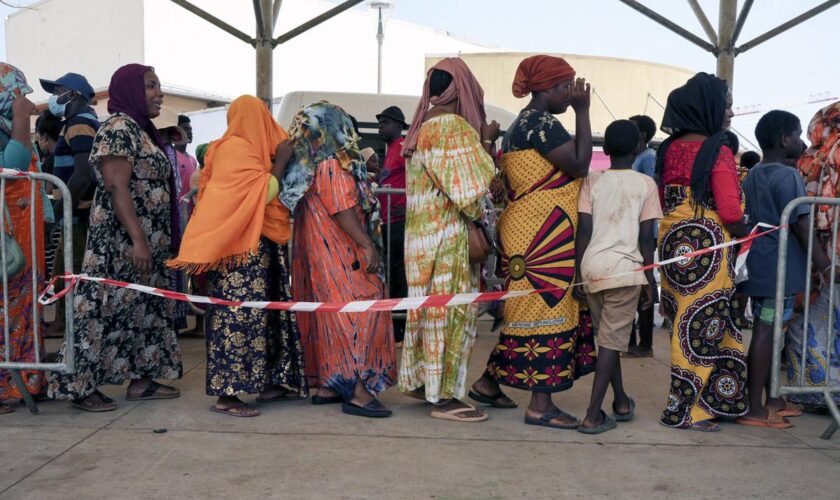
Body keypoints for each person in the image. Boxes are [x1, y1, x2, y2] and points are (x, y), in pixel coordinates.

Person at [48, 64, 182, 411]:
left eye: (159, 85)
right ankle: (79, 386)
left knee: (146, 308)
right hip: (119, 242)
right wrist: (138, 239)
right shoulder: (118, 129)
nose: (159, 92)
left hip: (147, 240)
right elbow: (115, 185)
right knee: (99, 311)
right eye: (151, 86)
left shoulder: (143, 130)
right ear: (131, 90)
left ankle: (143, 379)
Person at [474, 55, 596, 428]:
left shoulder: (521, 124)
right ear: (549, 88)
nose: (570, 94)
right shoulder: (541, 124)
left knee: (524, 312)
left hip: (532, 231)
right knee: (544, 310)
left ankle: (488, 383)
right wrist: (583, 111)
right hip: (541, 236)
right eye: (566, 87)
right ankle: (540, 406)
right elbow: (579, 165)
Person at [170, 95, 307, 417]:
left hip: (260, 245)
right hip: (238, 252)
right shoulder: (234, 149)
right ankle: (227, 394)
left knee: (265, 317)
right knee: (237, 320)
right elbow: (262, 192)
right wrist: (281, 163)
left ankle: (270, 382)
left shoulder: (253, 150)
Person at [399, 58, 499, 423]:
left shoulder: (422, 124)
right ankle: (442, 397)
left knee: (425, 313)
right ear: (461, 89)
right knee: (451, 314)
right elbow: (471, 190)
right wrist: (487, 141)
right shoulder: (449, 127)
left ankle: (420, 380)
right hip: (446, 239)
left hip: (420, 238)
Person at [287, 101, 396, 418]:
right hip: (342, 252)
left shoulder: (308, 164)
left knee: (330, 315)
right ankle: (357, 391)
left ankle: (329, 384)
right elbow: (342, 208)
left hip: (322, 256)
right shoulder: (332, 163)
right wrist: (366, 245)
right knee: (358, 314)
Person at [656, 72, 749, 432]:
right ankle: (684, 411)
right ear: (708, 107)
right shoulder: (718, 151)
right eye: (726, 105)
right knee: (702, 327)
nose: (730, 112)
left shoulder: (668, 148)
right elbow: (729, 209)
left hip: (674, 245)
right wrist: (745, 230)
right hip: (709, 246)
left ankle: (718, 399)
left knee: (691, 323)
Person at [737, 110, 831, 429]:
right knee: (766, 331)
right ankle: (755, 408)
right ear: (785, 140)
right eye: (798, 134)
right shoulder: (789, 175)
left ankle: (773, 398)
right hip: (776, 268)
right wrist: (825, 264)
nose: (803, 141)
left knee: (772, 330)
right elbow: (801, 223)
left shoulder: (754, 173)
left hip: (759, 263)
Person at [576, 119, 662, 433]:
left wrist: (577, 275)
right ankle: (592, 414)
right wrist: (649, 280)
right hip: (626, 272)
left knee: (607, 342)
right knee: (612, 343)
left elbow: (583, 231)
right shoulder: (646, 185)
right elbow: (646, 239)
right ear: (640, 146)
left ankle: (622, 401)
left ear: (606, 149)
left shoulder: (591, 181)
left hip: (593, 269)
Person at [39, 72, 100, 338]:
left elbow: (84, 173)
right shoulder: (76, 122)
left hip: (77, 212)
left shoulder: (79, 123)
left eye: (58, 91)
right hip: (75, 211)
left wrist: (61, 207)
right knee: (63, 269)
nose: (53, 98)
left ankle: (68, 325)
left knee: (69, 268)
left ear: (73, 95)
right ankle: (63, 322)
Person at [0, 63, 45, 414]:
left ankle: (25, 379)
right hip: (8, 238)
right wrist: (20, 119)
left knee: (24, 303)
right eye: (17, 92)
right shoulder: (13, 128)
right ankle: (7, 384)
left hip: (21, 235)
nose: (25, 100)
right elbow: (13, 168)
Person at [791, 101, 840, 412]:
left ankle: (806, 388)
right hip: (830, 248)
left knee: (808, 316)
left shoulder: (809, 156)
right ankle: (828, 390)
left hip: (808, 248)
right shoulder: (834, 152)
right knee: (827, 314)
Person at [376, 105, 409, 345]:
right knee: (391, 275)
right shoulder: (388, 151)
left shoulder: (402, 148)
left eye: (385, 122)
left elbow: (415, 176)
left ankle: (400, 329)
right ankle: (395, 326)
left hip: (399, 221)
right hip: (388, 221)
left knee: (399, 277)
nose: (381, 127)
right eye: (380, 122)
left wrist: (406, 203)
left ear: (399, 125)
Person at [626, 114, 658, 358]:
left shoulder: (648, 158)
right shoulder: (637, 158)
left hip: (642, 230)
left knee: (642, 282)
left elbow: (648, 189)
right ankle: (632, 340)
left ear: (643, 135)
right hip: (632, 229)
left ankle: (644, 342)